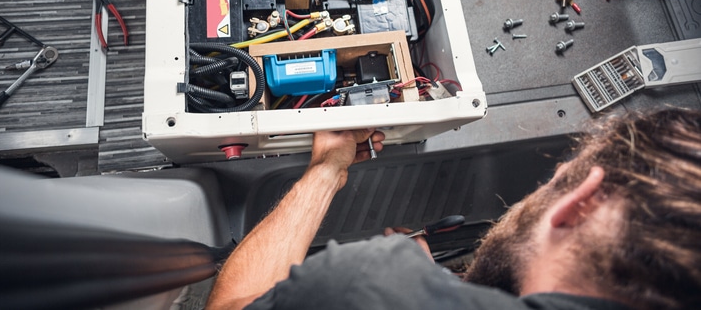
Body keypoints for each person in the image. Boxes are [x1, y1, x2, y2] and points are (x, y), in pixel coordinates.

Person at [206, 109, 701, 310]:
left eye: (557, 177)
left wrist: (326, 172)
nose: (547, 182)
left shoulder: (372, 288)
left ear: (580, 203)